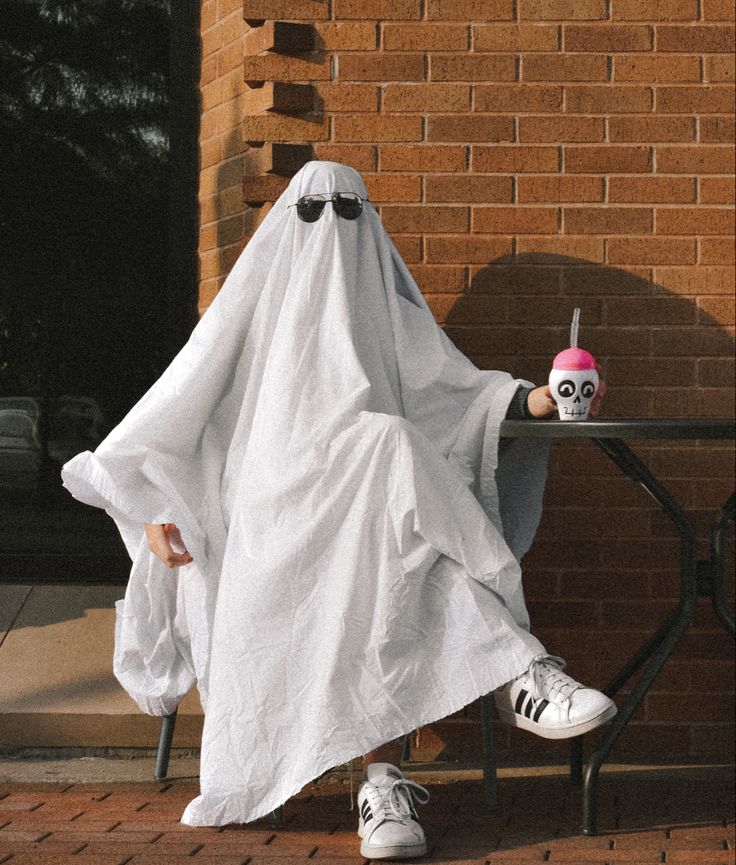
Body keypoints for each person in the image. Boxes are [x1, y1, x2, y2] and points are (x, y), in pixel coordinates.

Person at [61, 160, 614, 861]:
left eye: (351, 213)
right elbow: (177, 419)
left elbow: (456, 391)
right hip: (269, 517)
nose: (334, 230)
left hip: (370, 507)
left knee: (391, 507)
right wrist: (154, 514)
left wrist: (545, 398)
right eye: (317, 212)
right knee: (392, 456)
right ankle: (515, 670)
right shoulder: (251, 322)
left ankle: (383, 783)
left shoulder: (385, 317)